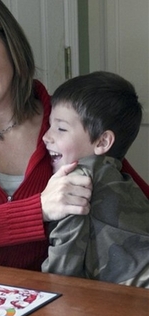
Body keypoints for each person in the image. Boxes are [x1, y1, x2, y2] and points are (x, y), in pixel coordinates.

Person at [0, 0, 146, 270]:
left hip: (58, 298)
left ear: (11, 45)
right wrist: (39, 209)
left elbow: (133, 196)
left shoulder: (64, 122)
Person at [42, 71, 149, 287]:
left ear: (102, 142)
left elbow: (62, 270)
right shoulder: (125, 181)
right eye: (50, 125)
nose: (46, 136)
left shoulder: (77, 180)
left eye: (61, 128)